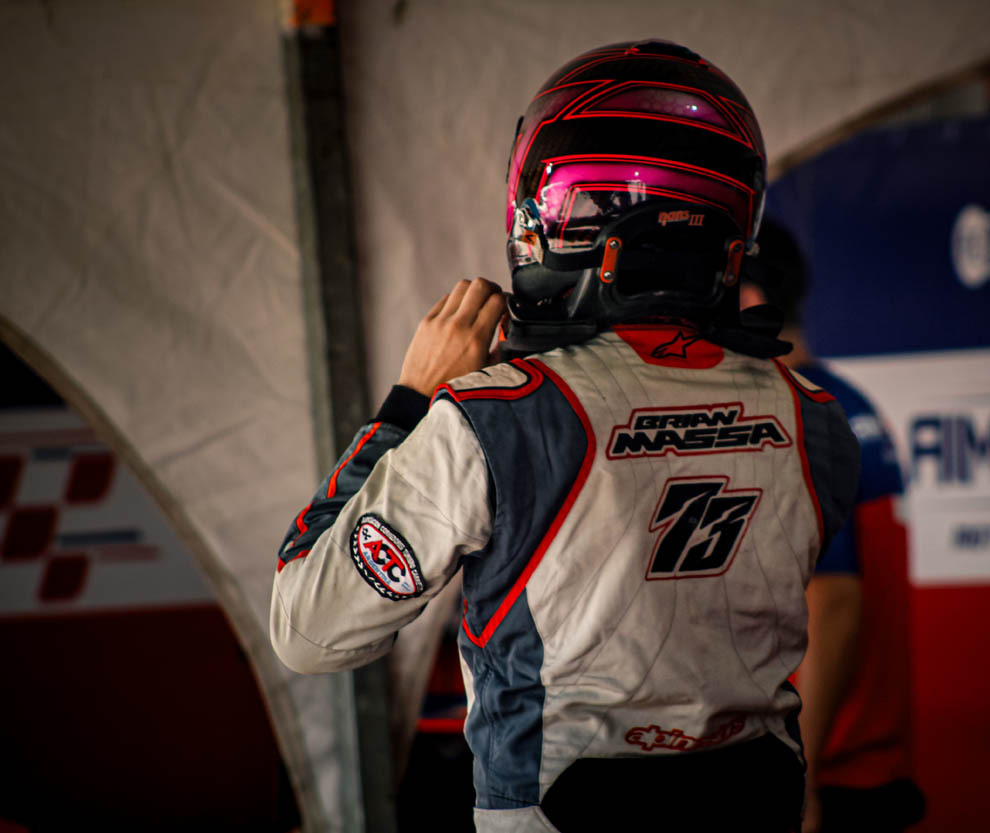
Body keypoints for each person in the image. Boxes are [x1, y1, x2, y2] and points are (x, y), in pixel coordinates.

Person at [270, 40, 859, 833]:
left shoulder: (494, 417)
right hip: (756, 800)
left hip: (556, 806)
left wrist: (409, 402)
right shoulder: (815, 420)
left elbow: (309, 629)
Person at [742, 219, 925, 833]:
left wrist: (801, 771)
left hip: (826, 776)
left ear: (750, 299)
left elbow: (836, 599)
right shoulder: (845, 400)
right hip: (869, 766)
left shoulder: (793, 412)